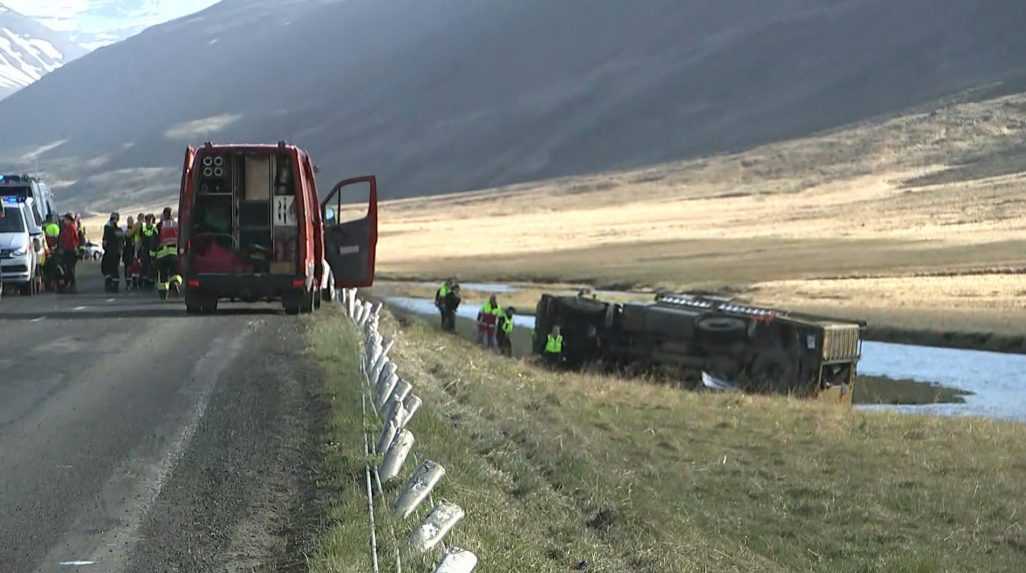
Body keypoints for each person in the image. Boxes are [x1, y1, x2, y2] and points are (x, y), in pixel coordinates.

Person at [155, 207, 180, 300]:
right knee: (175, 273)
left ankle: (163, 294)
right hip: (174, 252)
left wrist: (153, 254)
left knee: (163, 275)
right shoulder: (176, 224)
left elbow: (155, 239)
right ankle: (174, 284)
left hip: (162, 253)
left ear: (164, 214)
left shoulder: (160, 225)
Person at [101, 212, 124, 292]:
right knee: (113, 269)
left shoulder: (108, 229)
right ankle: (114, 285)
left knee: (109, 269)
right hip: (115, 252)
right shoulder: (119, 230)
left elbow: (105, 241)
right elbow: (121, 241)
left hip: (111, 252)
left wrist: (105, 247)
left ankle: (111, 285)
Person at [57, 214, 80, 292]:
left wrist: (63, 248)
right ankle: (67, 284)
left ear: (69, 220)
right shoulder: (67, 228)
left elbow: (69, 239)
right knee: (67, 268)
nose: (64, 221)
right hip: (68, 250)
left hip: (70, 251)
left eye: (65, 220)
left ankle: (72, 285)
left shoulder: (71, 228)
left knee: (70, 268)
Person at [139, 214, 158, 289]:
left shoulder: (155, 228)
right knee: (145, 266)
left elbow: (157, 239)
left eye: (150, 220)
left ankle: (150, 281)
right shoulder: (143, 228)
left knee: (152, 266)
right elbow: (139, 239)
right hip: (145, 249)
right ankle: (144, 281)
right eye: (147, 220)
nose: (149, 222)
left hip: (153, 250)